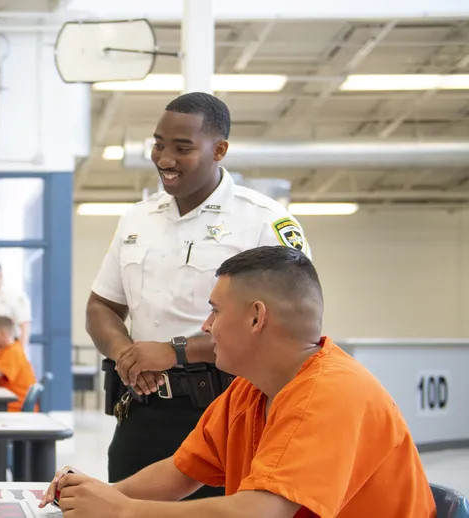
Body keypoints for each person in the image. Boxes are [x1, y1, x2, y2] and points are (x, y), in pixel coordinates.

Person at [43, 246, 436, 518]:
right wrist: (95, 494)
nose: (206, 325)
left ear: (255, 318)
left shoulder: (329, 394)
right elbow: (179, 473)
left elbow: (260, 511)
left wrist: (123, 510)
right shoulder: (250, 389)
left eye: (215, 311)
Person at [86, 91, 313, 497]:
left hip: (228, 413)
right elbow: (101, 305)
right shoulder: (136, 219)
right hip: (140, 413)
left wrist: (174, 352)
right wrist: (126, 354)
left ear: (219, 150)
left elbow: (289, 333)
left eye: (182, 148)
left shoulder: (263, 222)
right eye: (158, 144)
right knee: (120, 508)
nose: (164, 159)